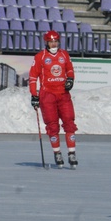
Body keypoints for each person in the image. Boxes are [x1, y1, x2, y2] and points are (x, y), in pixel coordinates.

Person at [29, 30, 78, 169]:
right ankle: (57, 152)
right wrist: (34, 95)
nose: (53, 43)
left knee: (69, 122)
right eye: (51, 41)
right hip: (47, 95)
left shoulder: (64, 54)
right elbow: (33, 77)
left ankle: (71, 153)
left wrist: (70, 79)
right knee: (52, 125)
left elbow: (70, 69)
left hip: (63, 94)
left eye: (56, 41)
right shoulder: (40, 57)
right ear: (46, 42)